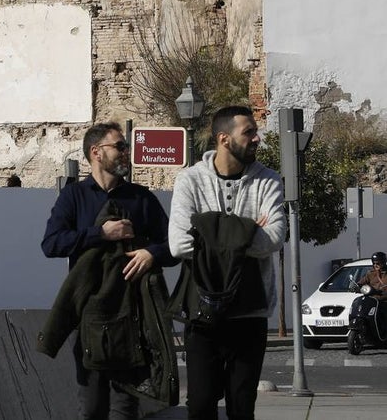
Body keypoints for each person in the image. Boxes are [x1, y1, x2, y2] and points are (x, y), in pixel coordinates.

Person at [42, 121, 173, 420]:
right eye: (120, 146)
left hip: (133, 318)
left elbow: (175, 246)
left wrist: (150, 254)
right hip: (90, 319)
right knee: (91, 409)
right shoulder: (74, 196)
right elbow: (51, 244)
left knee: (124, 410)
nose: (127, 152)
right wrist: (100, 233)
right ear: (96, 152)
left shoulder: (142, 198)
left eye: (126, 147)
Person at [169, 105, 285, 420]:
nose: (257, 138)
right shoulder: (190, 180)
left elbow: (274, 237)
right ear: (224, 138)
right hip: (202, 310)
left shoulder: (269, 180)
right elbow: (179, 243)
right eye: (248, 132)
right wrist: (247, 231)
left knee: (241, 406)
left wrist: (208, 231)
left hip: (250, 310)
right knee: (201, 404)